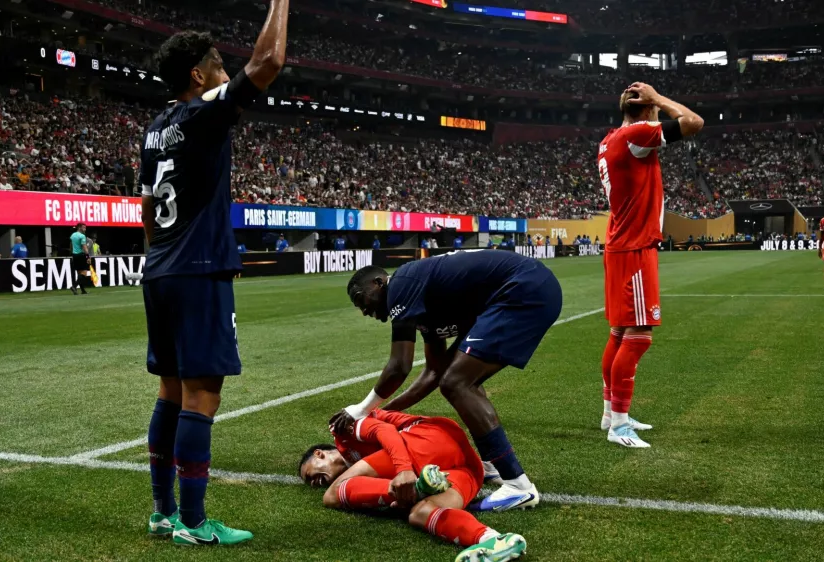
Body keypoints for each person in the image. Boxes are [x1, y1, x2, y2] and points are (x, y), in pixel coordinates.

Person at [138, 3, 288, 547]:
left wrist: (161, 260)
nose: (229, 72)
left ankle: (161, 512)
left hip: (160, 271)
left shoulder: (155, 130)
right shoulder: (204, 111)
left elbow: (147, 211)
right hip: (198, 271)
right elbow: (269, 61)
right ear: (198, 77)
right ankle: (196, 524)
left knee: (170, 391)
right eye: (220, 65)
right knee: (203, 393)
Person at [331, 250, 563, 511]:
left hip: (523, 288)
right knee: (459, 379)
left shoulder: (401, 285)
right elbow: (435, 371)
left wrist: (362, 410)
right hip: (526, 288)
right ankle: (492, 465)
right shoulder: (422, 304)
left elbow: (399, 366)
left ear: (379, 282)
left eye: (362, 299)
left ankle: (518, 486)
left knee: (458, 383)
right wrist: (384, 414)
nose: (364, 310)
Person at [597, 81, 704, 449]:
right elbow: (693, 122)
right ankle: (620, 426)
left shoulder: (609, 138)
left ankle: (611, 413)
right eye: (654, 108)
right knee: (639, 336)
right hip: (635, 246)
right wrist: (659, 98)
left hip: (620, 244)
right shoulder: (638, 134)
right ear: (646, 110)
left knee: (620, 332)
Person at [300, 409, 527, 562]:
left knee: (331, 496)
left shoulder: (341, 428)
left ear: (319, 454)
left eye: (310, 474)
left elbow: (385, 430)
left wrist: (403, 469)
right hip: (466, 470)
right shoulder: (365, 472)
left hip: (427, 440)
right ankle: (494, 539)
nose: (314, 482)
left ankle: (418, 489)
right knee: (420, 513)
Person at [70, 223, 91, 295]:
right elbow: (84, 247)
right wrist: (88, 257)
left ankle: (83, 290)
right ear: (79, 227)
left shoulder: (72, 235)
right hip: (81, 255)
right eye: (83, 227)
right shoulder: (82, 236)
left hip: (74, 255)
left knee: (79, 273)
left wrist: (72, 253)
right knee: (84, 274)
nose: (85, 229)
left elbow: (71, 246)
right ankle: (74, 286)